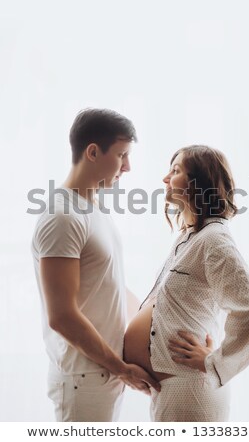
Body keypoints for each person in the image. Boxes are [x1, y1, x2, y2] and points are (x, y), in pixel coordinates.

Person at [124, 144, 249, 422]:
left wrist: (215, 362)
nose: (165, 179)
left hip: (190, 392)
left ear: (198, 182)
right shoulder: (187, 239)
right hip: (169, 391)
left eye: (176, 170)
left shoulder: (214, 239)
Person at [31, 108, 160, 422]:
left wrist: (162, 322)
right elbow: (61, 316)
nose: (127, 167)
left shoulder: (93, 208)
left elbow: (109, 285)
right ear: (92, 152)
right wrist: (120, 368)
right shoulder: (62, 216)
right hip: (84, 379)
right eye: (121, 155)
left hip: (104, 376)